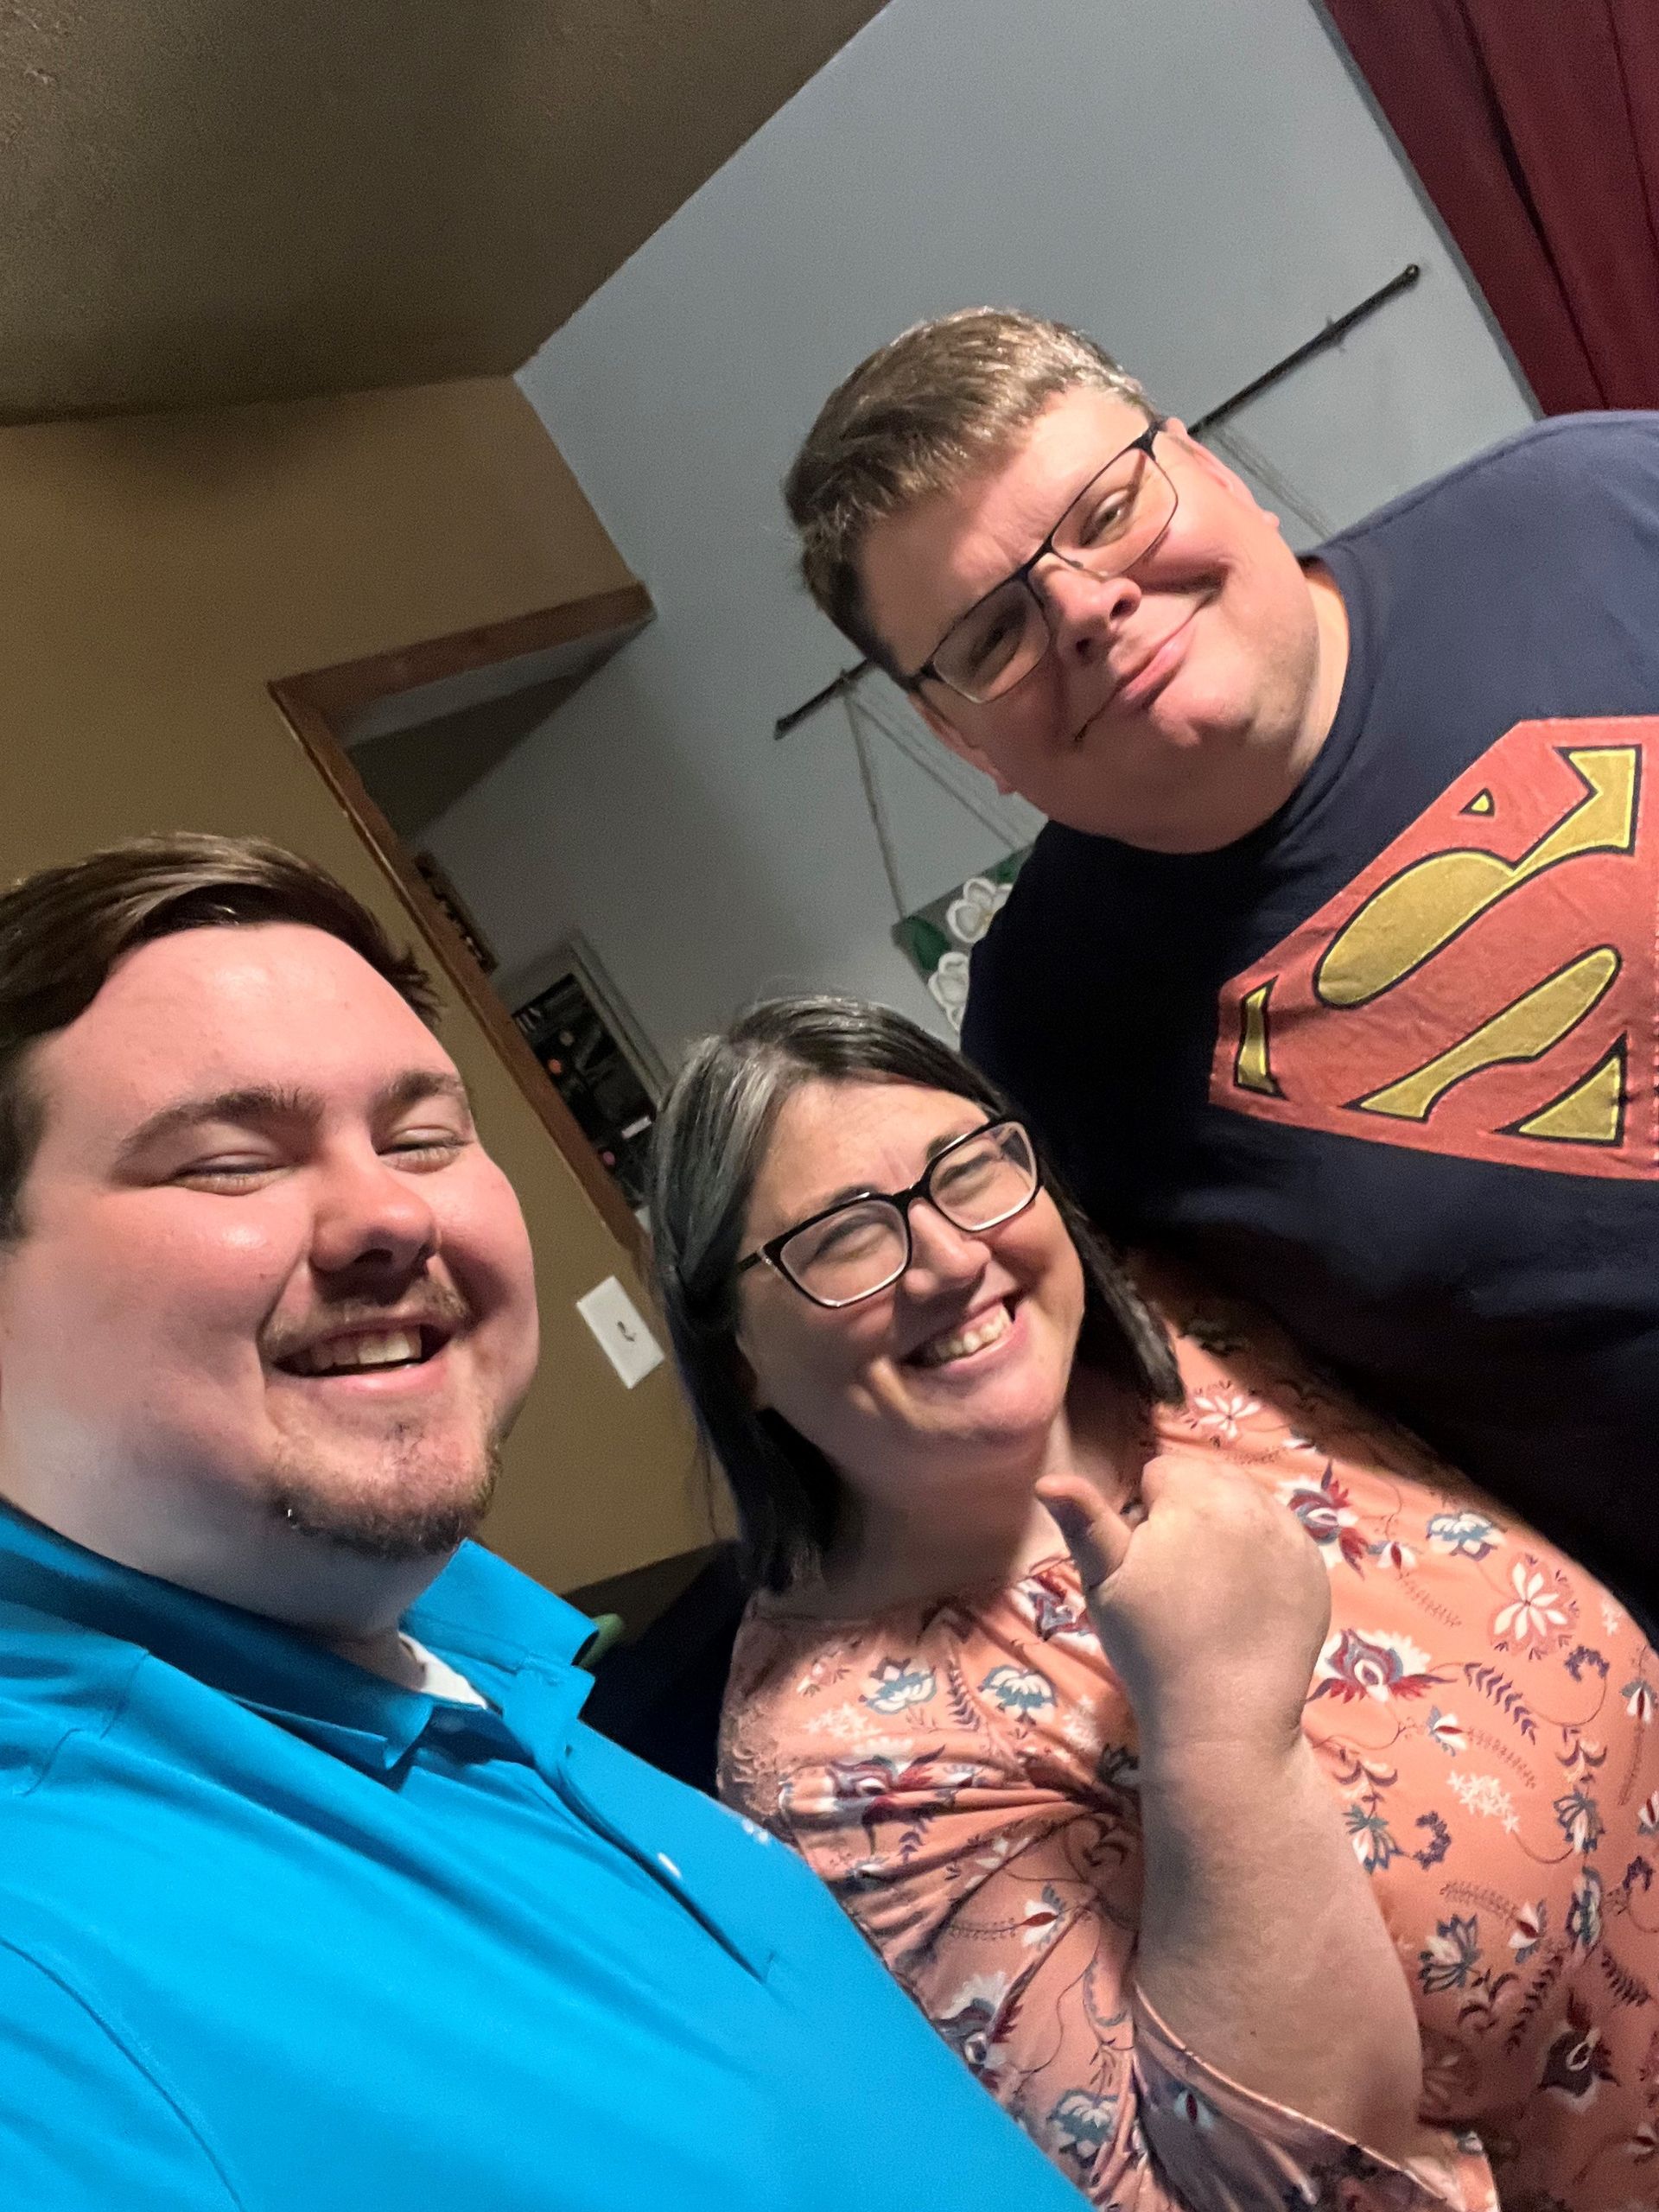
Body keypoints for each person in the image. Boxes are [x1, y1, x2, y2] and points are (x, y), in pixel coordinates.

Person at [0, 836, 1094, 2212]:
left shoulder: (482, 1674)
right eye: (227, 1162)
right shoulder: (40, 1997)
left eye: (422, 1137)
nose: (387, 1211)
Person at [649, 992, 1659, 2212]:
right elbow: (1252, 2192)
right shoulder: (836, 1769)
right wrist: (1222, 1727)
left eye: (970, 1169)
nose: (956, 1254)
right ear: (737, 1352)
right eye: (844, 1238)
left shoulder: (1182, 1332)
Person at [782, 308, 1659, 1630]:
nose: (1083, 606)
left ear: (1203, 463)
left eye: (1106, 509)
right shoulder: (1051, 1038)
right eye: (989, 636)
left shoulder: (1596, 508)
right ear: (951, 730)